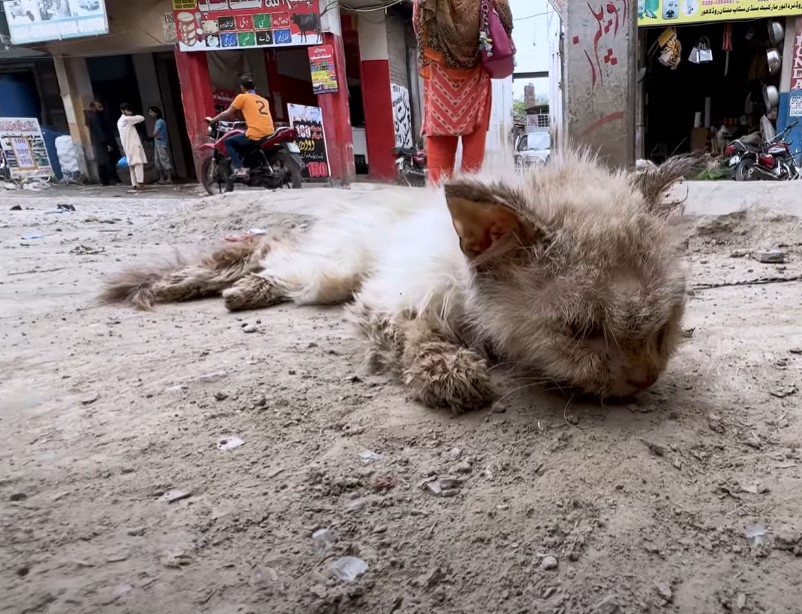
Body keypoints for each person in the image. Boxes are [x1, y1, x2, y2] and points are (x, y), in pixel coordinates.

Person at [413, 0, 513, 183]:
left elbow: (418, 27)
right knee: (472, 174)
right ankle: (467, 207)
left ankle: (439, 208)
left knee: (438, 175)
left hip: (439, 84)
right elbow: (506, 25)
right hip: (476, 82)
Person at [205, 77, 274, 178]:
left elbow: (227, 114)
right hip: (269, 133)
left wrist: (212, 120)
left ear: (242, 88)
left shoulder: (242, 97)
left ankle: (240, 169)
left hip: (256, 134)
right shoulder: (264, 100)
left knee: (228, 142)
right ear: (254, 87)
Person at [87, 101, 121, 186]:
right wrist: (107, 143)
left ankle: (106, 180)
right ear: (93, 108)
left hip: (102, 142)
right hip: (102, 143)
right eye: (99, 107)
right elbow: (100, 131)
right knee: (107, 162)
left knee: (105, 162)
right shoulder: (95, 118)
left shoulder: (99, 117)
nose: (101, 109)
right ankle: (110, 180)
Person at [117, 103, 147, 193]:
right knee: (138, 164)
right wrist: (133, 115)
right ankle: (140, 183)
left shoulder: (120, 121)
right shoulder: (127, 119)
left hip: (127, 146)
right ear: (122, 111)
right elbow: (141, 118)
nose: (129, 112)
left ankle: (134, 184)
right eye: (127, 110)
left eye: (130, 110)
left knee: (132, 166)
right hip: (133, 145)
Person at [148, 106, 173, 184]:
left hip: (161, 144)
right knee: (158, 161)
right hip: (158, 144)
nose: (150, 114)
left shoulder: (159, 121)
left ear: (156, 113)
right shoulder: (160, 121)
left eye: (151, 112)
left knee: (164, 160)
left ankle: (169, 179)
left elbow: (155, 133)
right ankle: (162, 179)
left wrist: (151, 136)